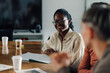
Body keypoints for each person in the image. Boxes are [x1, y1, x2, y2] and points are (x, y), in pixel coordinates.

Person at [50, 4, 110, 73]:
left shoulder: (104, 67)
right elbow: (80, 69)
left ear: (90, 32)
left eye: (82, 28)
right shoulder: (103, 58)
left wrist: (61, 69)